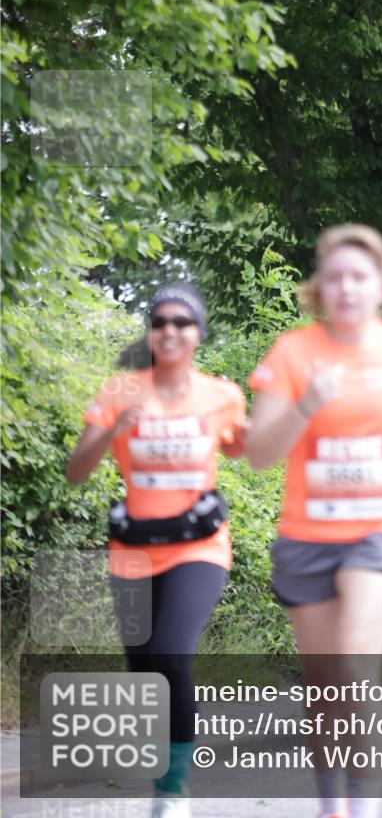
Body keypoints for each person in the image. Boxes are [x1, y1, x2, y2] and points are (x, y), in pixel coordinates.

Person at [245, 225, 382, 818]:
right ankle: (331, 804)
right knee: (325, 689)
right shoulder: (293, 353)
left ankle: (363, 809)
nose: (346, 288)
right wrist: (306, 405)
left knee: (354, 667)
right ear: (320, 286)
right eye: (335, 277)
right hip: (306, 540)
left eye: (358, 277)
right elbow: (260, 453)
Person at [66, 282, 246, 818]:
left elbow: (247, 448)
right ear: (150, 332)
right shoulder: (120, 389)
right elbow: (77, 472)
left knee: (170, 651)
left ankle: (171, 791)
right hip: (134, 549)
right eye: (160, 321)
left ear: (197, 333)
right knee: (145, 670)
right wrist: (112, 430)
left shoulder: (221, 395)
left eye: (182, 322)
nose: (170, 330)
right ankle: (163, 772)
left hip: (200, 546)